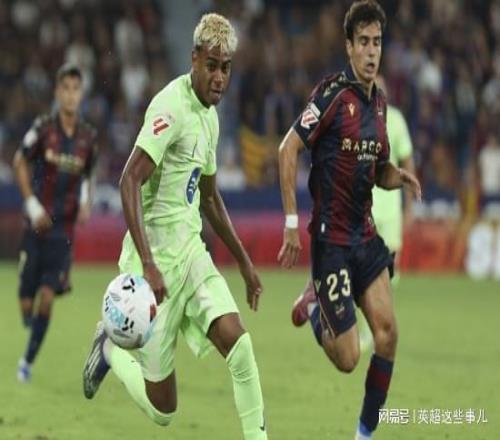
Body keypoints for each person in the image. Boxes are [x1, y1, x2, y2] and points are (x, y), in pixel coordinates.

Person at [82, 13, 268, 440]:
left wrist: (244, 262)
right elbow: (129, 179)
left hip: (191, 255)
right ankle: (109, 349)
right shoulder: (171, 106)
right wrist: (148, 264)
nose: (219, 77)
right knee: (164, 410)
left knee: (239, 344)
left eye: (226, 68)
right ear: (194, 58)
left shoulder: (211, 117)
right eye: (212, 65)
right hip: (154, 270)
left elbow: (209, 197)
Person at [277, 2, 421, 439]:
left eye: (377, 42)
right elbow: (287, 149)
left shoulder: (380, 105)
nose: (371, 51)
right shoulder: (331, 95)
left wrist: (398, 177)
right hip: (331, 242)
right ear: (349, 46)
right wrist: (290, 222)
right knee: (348, 358)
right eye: (363, 42)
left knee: (388, 335)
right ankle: (314, 306)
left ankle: (364, 434)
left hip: (365, 236)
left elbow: (377, 170)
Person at [296, 73, 416, 352]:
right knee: (358, 272)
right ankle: (355, 326)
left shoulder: (395, 120)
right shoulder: (351, 114)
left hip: (391, 212)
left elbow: (405, 159)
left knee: (387, 276)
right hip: (361, 210)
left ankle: (370, 326)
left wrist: (409, 203)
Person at [13, 63, 97, 383]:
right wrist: (32, 205)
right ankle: (30, 322)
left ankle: (26, 362)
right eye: (66, 88)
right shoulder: (43, 128)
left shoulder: (88, 137)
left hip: (64, 232)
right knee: (26, 303)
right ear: (57, 92)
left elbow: (88, 173)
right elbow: (19, 161)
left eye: (76, 89)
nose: (71, 95)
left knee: (47, 298)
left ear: (81, 94)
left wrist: (86, 201)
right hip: (36, 228)